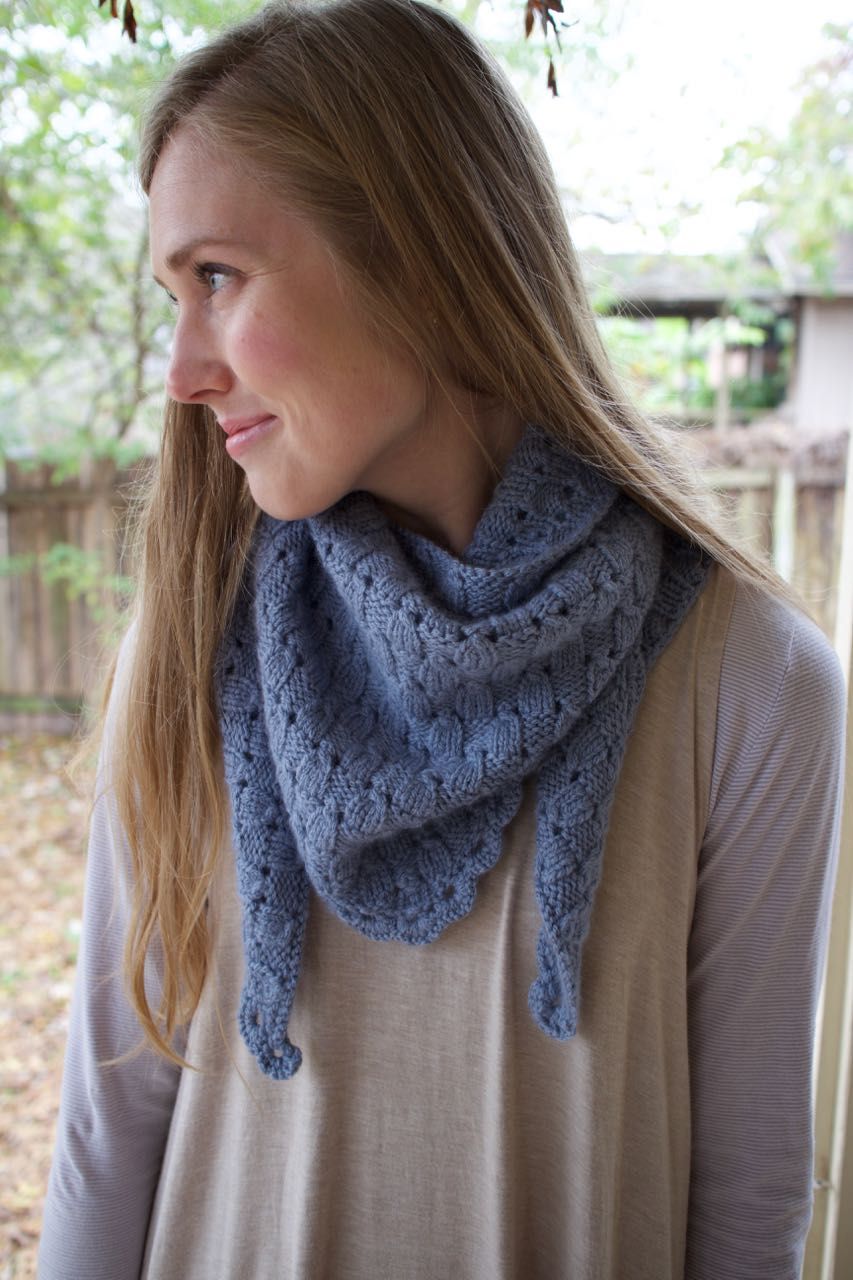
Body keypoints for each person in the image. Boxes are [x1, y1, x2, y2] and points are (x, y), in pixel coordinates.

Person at [38, 1, 845, 1277]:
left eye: (218, 277)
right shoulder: (189, 645)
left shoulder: (749, 678)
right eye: (173, 294)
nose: (182, 369)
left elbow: (748, 1193)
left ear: (417, 254)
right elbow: (106, 1134)